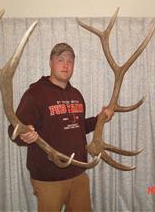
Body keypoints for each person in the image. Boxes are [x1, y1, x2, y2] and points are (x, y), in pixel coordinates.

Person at [8, 43, 114, 212]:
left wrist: (100, 119)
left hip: (79, 174)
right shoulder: (35, 94)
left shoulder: (76, 95)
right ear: (50, 62)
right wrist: (24, 134)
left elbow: (79, 127)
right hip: (49, 178)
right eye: (60, 59)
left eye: (70, 61)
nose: (66, 65)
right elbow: (13, 129)